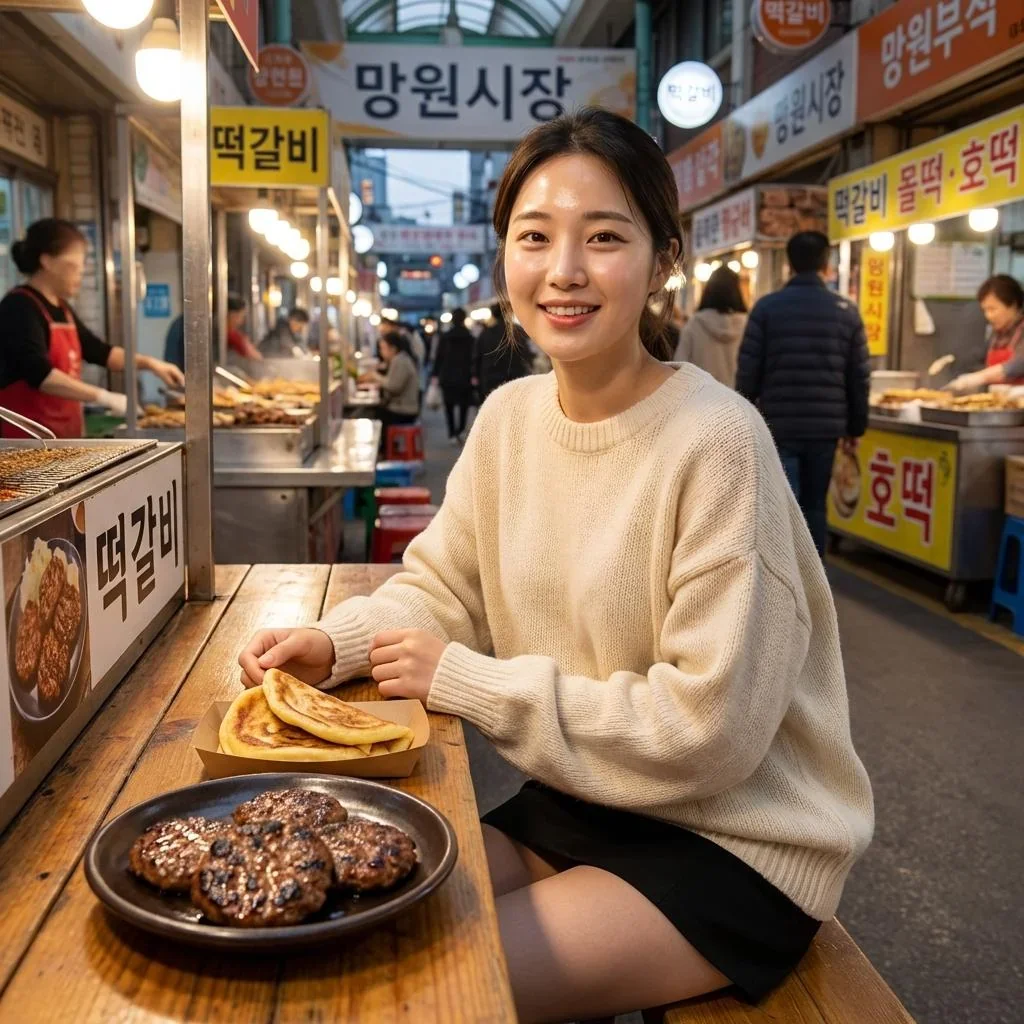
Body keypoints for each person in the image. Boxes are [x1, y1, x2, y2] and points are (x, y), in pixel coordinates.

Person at [237, 108, 872, 1023]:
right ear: (507, 257)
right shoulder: (509, 420)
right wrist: (333, 645)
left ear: (664, 261)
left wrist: (466, 682)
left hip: (737, 840)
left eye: (605, 237)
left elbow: (713, 731)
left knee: (420, 992)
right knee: (347, 919)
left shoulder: (720, 441)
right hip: (586, 800)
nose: (564, 271)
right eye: (535, 237)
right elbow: (444, 588)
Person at [736, 231, 870, 557]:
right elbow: (859, 376)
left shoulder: (767, 308)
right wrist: (855, 428)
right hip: (825, 429)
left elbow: (748, 370)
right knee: (814, 506)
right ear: (826, 263)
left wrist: (742, 413)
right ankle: (815, 581)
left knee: (782, 504)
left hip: (778, 424)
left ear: (789, 264)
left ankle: (783, 580)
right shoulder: (846, 311)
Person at [0, 218, 183, 438]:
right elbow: (40, 375)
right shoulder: (19, 307)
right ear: (47, 261)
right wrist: (103, 397)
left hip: (63, 437)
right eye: (75, 265)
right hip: (26, 441)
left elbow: (98, 351)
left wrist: (150, 364)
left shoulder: (61, 307)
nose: (81, 273)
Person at [948, 274, 1024, 391]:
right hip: (997, 402)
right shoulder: (997, 333)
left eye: (993, 309)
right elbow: (980, 359)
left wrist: (980, 377)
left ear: (1013, 305)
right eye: (985, 310)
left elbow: (1017, 365)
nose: (988, 316)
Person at [675, 266, 748, 387]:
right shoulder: (747, 325)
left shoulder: (695, 324)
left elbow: (680, 366)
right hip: (739, 401)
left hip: (701, 400)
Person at [358, 330, 420, 451]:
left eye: (383, 348)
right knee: (375, 412)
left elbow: (394, 386)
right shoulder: (399, 359)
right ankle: (387, 448)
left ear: (393, 348)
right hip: (403, 407)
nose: (381, 352)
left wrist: (375, 376)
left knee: (374, 416)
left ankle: (386, 450)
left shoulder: (400, 361)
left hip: (405, 410)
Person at [431, 307, 476, 444]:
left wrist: (435, 374)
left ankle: (451, 433)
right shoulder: (470, 338)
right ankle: (460, 430)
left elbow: (439, 357)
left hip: (447, 376)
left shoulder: (445, 337)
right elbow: (473, 358)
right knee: (463, 406)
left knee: (449, 406)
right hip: (465, 376)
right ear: (464, 319)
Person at [473, 304, 533, 402]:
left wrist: (476, 375)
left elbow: (477, 356)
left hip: (490, 377)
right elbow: (526, 353)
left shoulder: (485, 333)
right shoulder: (517, 331)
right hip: (515, 376)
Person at [226, 295, 262, 361]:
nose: (242, 321)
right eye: (241, 316)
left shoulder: (233, 334)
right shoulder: (231, 335)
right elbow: (256, 357)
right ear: (233, 315)